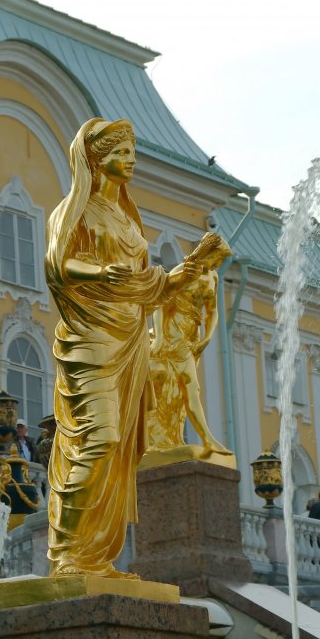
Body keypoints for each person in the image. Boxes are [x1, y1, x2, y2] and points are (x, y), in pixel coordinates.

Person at [45, 117, 203, 578]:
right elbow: (58, 266)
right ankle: (66, 553)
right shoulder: (73, 209)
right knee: (99, 439)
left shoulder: (131, 224)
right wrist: (99, 274)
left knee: (118, 456)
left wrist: (189, 270)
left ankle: (95, 555)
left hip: (130, 338)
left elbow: (148, 289)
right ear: (95, 159)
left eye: (133, 151)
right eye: (120, 152)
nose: (130, 159)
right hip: (90, 335)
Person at [147, 233, 233, 456]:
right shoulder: (184, 271)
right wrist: (157, 337)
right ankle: (206, 439)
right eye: (217, 259)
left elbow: (213, 312)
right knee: (188, 387)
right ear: (209, 254)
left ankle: (174, 438)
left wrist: (207, 338)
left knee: (179, 392)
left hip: (191, 339)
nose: (218, 265)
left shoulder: (213, 278)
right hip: (172, 337)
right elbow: (160, 303)